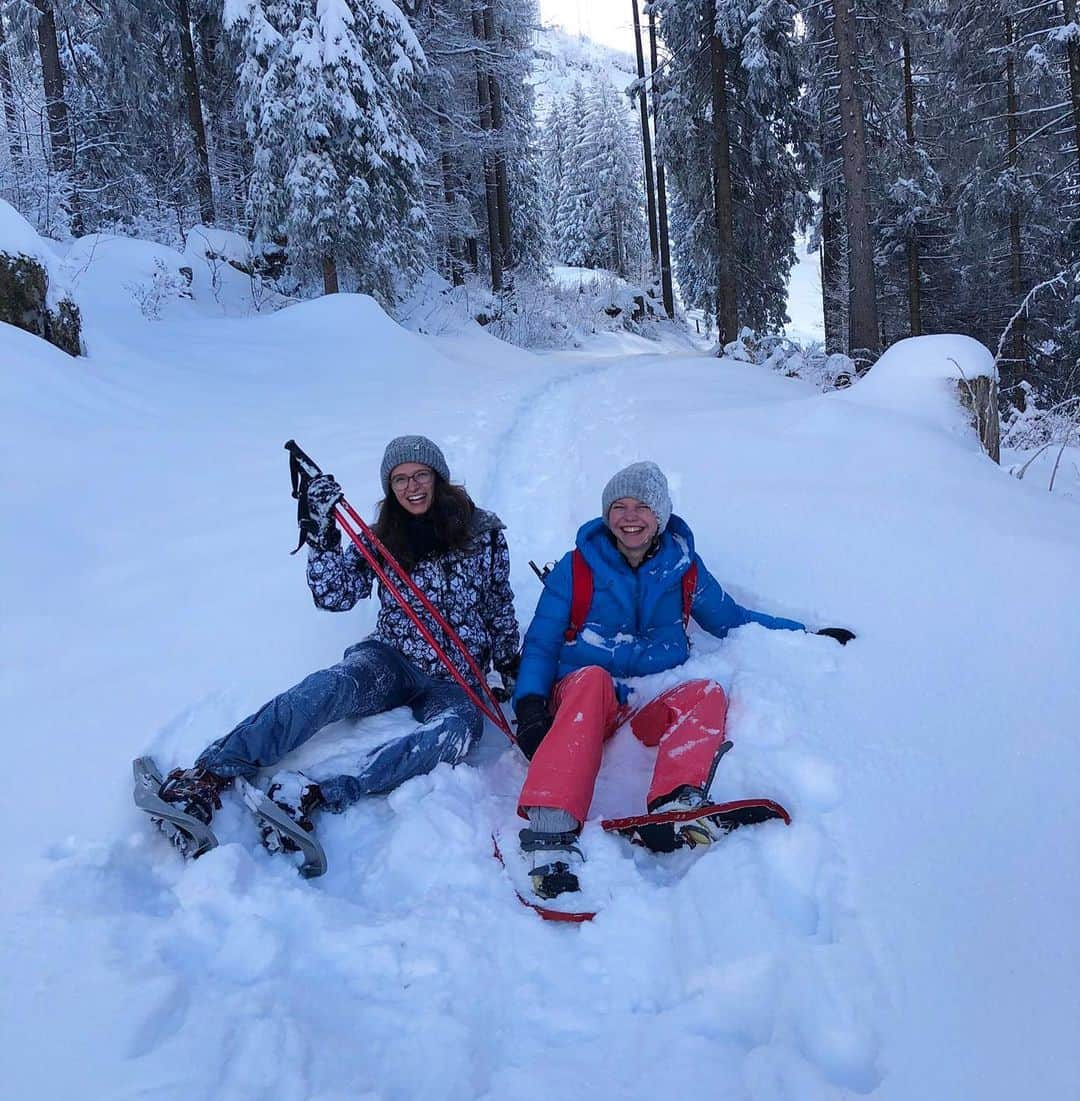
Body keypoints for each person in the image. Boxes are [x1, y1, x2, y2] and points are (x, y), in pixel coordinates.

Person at [153, 435, 520, 856]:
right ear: (389, 487)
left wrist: (510, 662)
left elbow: (497, 602)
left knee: (457, 731)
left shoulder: (482, 533)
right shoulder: (383, 537)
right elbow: (335, 595)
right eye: (399, 479)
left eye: (420, 475)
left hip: (456, 674)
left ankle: (314, 790)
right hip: (392, 657)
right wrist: (322, 535)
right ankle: (211, 773)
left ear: (439, 478)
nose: (412, 486)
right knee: (333, 686)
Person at [511, 461, 854, 899]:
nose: (630, 517)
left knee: (705, 692)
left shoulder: (684, 568)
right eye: (619, 506)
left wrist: (806, 635)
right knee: (593, 679)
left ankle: (676, 803)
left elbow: (734, 620)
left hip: (643, 704)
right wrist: (530, 707)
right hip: (582, 699)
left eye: (642, 507)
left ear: (661, 514)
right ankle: (551, 829)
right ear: (605, 514)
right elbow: (540, 644)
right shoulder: (576, 568)